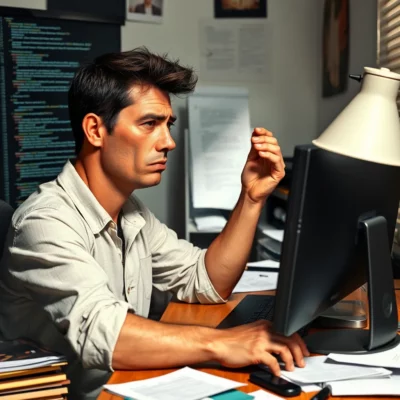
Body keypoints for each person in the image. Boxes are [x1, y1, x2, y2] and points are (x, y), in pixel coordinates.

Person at [0, 47, 309, 400]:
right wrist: (225, 343)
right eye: (149, 124)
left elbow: (206, 280)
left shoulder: (131, 212)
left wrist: (251, 198)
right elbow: (107, 334)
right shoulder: (45, 222)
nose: (169, 142)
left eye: (168, 125)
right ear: (95, 130)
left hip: (132, 385)